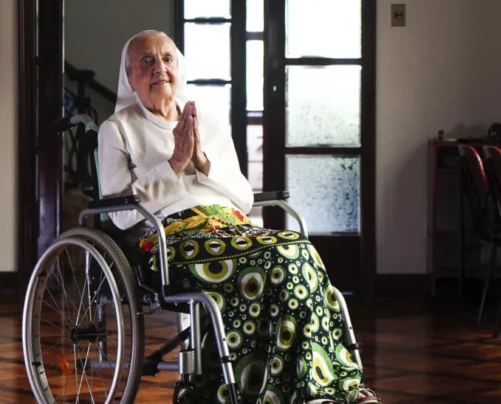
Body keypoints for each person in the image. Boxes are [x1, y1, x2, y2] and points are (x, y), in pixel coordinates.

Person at [98, 30, 380, 404]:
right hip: (173, 237)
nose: (159, 68)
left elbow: (245, 198)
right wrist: (174, 164)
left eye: (167, 59)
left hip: (232, 226)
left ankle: (326, 388)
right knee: (277, 260)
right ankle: (294, 392)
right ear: (130, 77)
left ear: (178, 68)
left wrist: (202, 162)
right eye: (146, 61)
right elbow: (119, 214)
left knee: (298, 251)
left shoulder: (207, 122)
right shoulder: (117, 128)